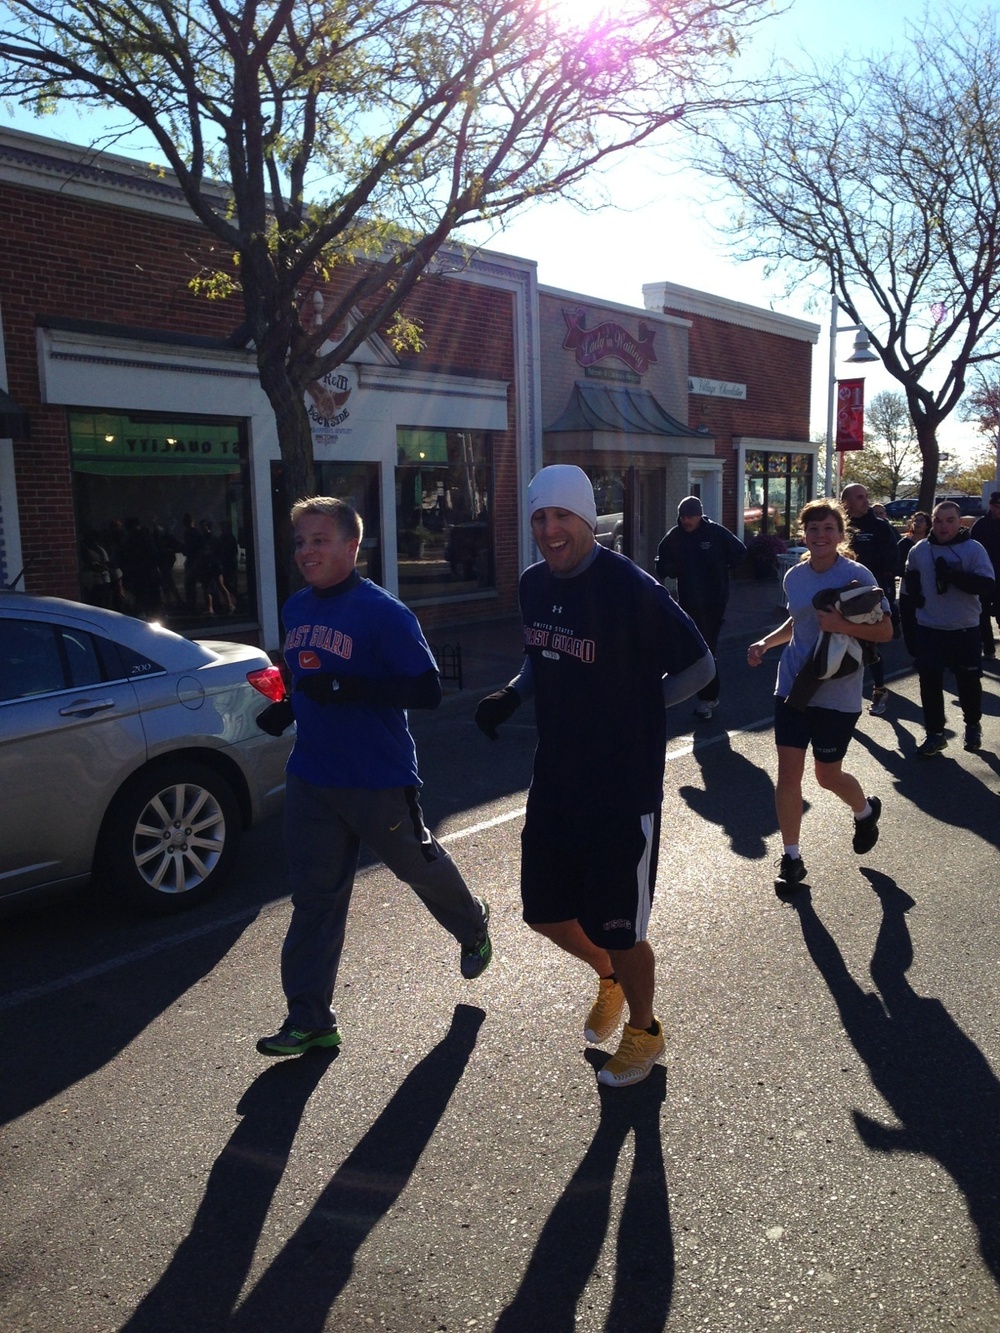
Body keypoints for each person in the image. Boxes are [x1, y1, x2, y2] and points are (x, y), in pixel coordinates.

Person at [474, 465, 713, 1087]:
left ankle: (646, 1030)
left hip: (620, 788)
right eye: (539, 518)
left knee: (621, 926)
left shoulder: (629, 587)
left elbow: (699, 666)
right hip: (554, 779)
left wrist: (636, 704)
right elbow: (542, 655)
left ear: (587, 520)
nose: (550, 530)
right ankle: (606, 974)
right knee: (544, 912)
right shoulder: (533, 585)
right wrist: (511, 695)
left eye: (562, 517)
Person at [255, 496, 492, 1057]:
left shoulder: (384, 614)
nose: (307, 551)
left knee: (418, 867)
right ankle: (310, 1020)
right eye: (300, 542)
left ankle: (472, 924)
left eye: (319, 540)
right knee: (315, 899)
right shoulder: (295, 609)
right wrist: (286, 706)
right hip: (311, 776)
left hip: (377, 779)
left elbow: (427, 689)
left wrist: (348, 689)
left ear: (351, 545)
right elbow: (307, 673)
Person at [747, 499, 893, 889]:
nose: (820, 535)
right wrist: (765, 643)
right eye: (813, 529)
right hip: (794, 686)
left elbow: (886, 632)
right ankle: (791, 858)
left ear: (841, 534)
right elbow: (799, 623)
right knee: (788, 774)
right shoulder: (794, 577)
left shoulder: (858, 575)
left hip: (838, 691)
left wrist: (842, 623)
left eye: (828, 528)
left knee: (827, 775)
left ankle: (864, 812)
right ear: (804, 534)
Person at [903, 499, 995, 757]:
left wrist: (954, 577)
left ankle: (972, 724)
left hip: (964, 628)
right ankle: (935, 734)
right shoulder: (919, 549)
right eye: (939, 520)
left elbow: (987, 585)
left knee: (968, 682)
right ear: (933, 521)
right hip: (929, 628)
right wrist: (913, 595)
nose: (944, 526)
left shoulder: (973, 549)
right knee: (930, 683)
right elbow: (910, 580)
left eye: (950, 520)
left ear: (960, 521)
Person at [654, 495, 747, 720]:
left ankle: (708, 699)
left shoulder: (715, 533)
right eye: (684, 517)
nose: (687, 521)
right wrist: (668, 568)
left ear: (699, 515)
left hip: (714, 601)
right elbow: (662, 560)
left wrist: (723, 567)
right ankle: (675, 689)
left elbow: (740, 552)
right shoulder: (675, 536)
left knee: (706, 648)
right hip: (687, 601)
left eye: (691, 517)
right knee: (681, 645)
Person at [841, 484, 899, 716]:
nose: (865, 501)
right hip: (842, 591)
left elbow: (892, 558)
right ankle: (841, 693)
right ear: (847, 502)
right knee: (840, 641)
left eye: (866, 497)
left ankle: (879, 689)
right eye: (859, 497)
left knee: (868, 643)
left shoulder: (879, 526)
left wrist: (881, 581)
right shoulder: (841, 525)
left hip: (869, 592)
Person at [970, 491, 1000, 658]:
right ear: (991, 506)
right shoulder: (981, 525)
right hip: (984, 575)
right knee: (982, 614)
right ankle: (988, 648)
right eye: (997, 506)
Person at [896, 510, 931, 658]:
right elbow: (896, 566)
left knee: (925, 624)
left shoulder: (931, 543)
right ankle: (915, 655)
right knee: (909, 625)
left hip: (927, 591)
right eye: (915, 520)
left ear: (928, 524)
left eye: (921, 520)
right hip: (907, 591)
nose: (917, 523)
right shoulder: (904, 543)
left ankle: (927, 654)